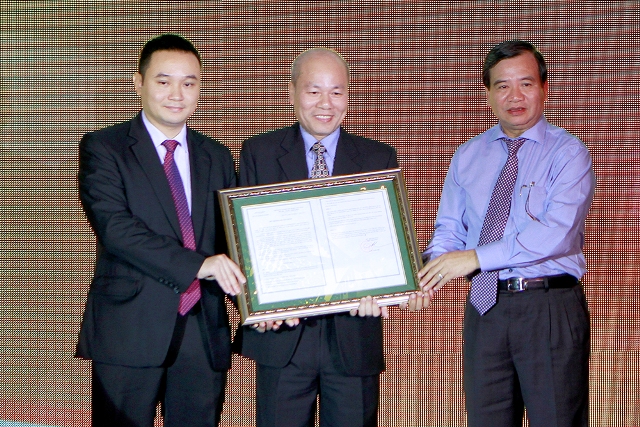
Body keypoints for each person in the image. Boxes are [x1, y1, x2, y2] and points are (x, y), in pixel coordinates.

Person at [418, 40, 595, 426]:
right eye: (502, 86)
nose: (515, 96)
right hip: (485, 309)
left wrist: (474, 258)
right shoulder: (467, 155)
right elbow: (448, 231)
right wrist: (424, 279)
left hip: (547, 307)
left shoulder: (569, 153)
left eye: (526, 84)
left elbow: (556, 233)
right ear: (488, 95)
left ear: (544, 88)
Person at [75, 33, 246, 427]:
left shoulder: (217, 156)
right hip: (129, 329)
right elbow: (116, 229)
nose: (177, 94)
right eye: (164, 81)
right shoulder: (105, 147)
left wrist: (263, 304)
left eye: (189, 83)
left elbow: (234, 242)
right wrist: (198, 265)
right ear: (139, 83)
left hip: (202, 332)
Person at [236, 47, 398, 427]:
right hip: (283, 336)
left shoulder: (378, 158)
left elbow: (385, 246)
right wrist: (255, 302)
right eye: (314, 91)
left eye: (337, 92)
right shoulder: (259, 152)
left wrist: (388, 288)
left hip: (353, 335)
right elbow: (242, 244)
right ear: (292, 93)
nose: (326, 103)